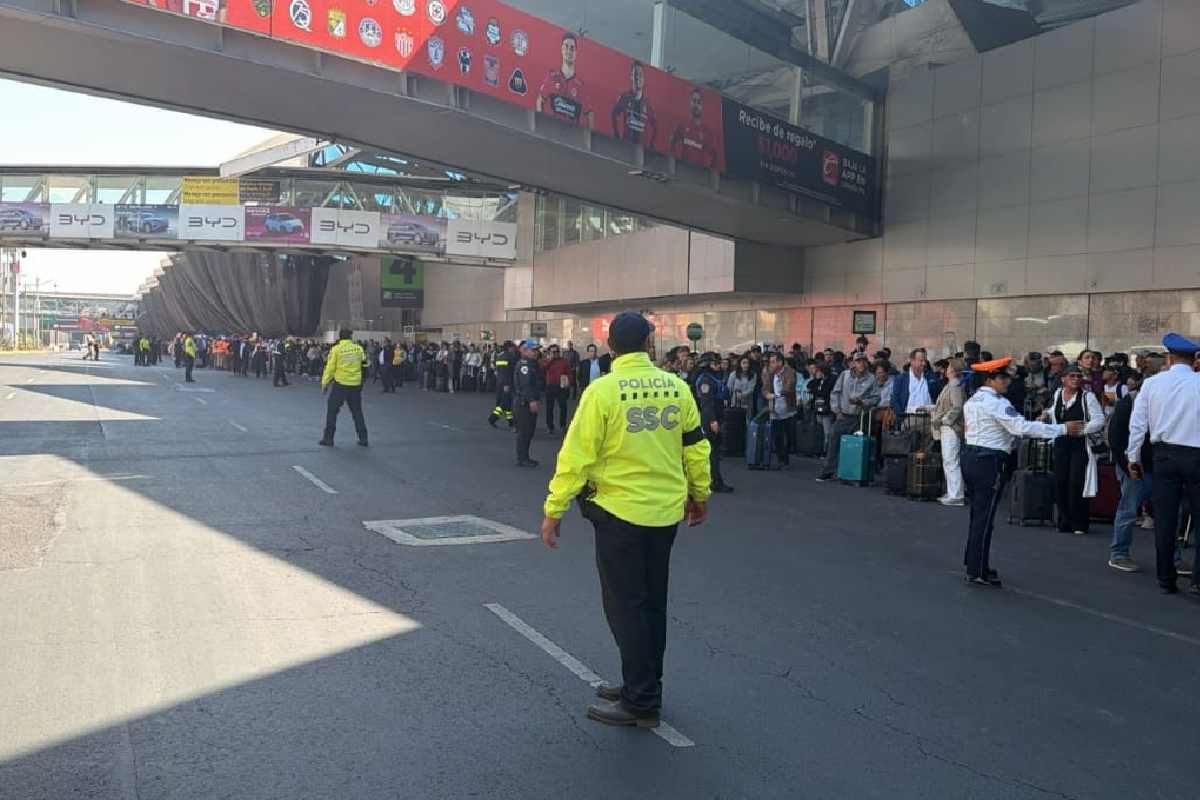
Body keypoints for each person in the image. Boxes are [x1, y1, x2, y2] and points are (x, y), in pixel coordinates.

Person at [540, 311, 710, 729]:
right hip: (665, 512)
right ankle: (644, 683)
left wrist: (554, 508)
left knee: (625, 606)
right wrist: (699, 494)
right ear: (650, 343)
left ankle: (641, 701)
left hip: (618, 514)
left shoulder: (602, 392)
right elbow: (696, 446)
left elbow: (574, 456)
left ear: (612, 347)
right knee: (652, 602)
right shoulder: (677, 387)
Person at [962, 358, 1084, 587]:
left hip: (972, 456)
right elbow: (1021, 427)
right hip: (989, 460)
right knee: (984, 518)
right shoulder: (996, 402)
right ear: (990, 379)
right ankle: (977, 569)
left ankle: (974, 562)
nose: (1007, 382)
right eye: (1003, 378)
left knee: (978, 516)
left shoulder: (974, 400)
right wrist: (1061, 429)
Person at [1127, 333, 1200, 596]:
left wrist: (1132, 457)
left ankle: (1166, 577)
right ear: (1195, 360)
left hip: (1164, 455)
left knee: (1166, 518)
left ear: (1169, 357)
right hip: (1196, 455)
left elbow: (1138, 425)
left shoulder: (1152, 384)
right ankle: (1198, 580)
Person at [1043, 364, 1105, 535]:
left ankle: (1079, 523)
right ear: (1063, 379)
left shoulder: (1087, 397)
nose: (1076, 379)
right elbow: (1054, 411)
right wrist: (1046, 414)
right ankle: (1064, 521)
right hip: (1061, 442)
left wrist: (1081, 429)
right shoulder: (1058, 394)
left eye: (1078, 376)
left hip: (1080, 445)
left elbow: (1099, 420)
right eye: (1072, 376)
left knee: (1076, 482)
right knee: (1060, 481)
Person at [817, 352, 879, 481]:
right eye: (858, 361)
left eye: (863, 361)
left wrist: (863, 402)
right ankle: (828, 470)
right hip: (844, 415)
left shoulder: (871, 378)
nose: (861, 364)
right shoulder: (845, 375)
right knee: (834, 439)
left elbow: (876, 397)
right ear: (853, 363)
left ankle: (853, 473)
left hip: (861, 417)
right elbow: (835, 393)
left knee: (856, 446)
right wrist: (836, 410)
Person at [319, 328, 369, 448]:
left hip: (341, 384)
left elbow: (330, 368)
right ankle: (363, 438)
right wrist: (362, 380)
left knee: (332, 411)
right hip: (355, 385)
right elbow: (365, 365)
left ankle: (328, 439)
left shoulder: (336, 349)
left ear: (340, 337)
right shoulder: (358, 348)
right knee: (357, 412)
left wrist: (324, 384)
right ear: (350, 337)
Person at [695, 352, 733, 493]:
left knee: (714, 451)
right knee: (712, 452)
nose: (718, 365)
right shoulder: (706, 380)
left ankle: (714, 480)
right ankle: (715, 481)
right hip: (710, 418)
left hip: (717, 416)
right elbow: (707, 404)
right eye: (715, 363)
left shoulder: (714, 378)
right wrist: (712, 421)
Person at [537, 32, 593, 128]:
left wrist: (586, 138)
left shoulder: (580, 85)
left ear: (576, 53)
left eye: (572, 48)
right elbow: (540, 100)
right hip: (552, 131)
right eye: (566, 47)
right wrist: (541, 126)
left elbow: (590, 114)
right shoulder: (552, 77)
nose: (569, 51)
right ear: (561, 49)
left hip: (572, 137)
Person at [931, 358, 966, 506]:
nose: (946, 369)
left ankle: (956, 494)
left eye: (949, 367)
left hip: (951, 427)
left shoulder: (954, 385)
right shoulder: (952, 385)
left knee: (951, 460)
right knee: (949, 460)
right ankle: (953, 491)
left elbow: (957, 406)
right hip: (948, 426)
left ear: (952, 370)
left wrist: (946, 420)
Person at [762, 351, 797, 468]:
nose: (771, 364)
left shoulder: (789, 371)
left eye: (773, 362)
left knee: (789, 434)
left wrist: (779, 393)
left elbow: (790, 386)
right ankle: (781, 458)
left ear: (780, 362)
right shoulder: (768, 372)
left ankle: (786, 454)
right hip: (775, 408)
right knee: (777, 435)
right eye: (770, 362)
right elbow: (765, 388)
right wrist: (767, 394)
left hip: (788, 407)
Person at [612, 59, 657, 148]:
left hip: (640, 151)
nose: (638, 78)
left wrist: (651, 143)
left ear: (644, 78)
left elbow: (655, 126)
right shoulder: (625, 97)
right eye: (635, 74)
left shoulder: (647, 104)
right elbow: (614, 114)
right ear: (631, 76)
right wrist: (616, 134)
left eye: (640, 75)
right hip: (626, 147)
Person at [669, 87, 718, 168]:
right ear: (690, 102)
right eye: (694, 101)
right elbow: (672, 142)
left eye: (699, 102)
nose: (696, 105)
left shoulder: (708, 132)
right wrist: (673, 159)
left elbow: (714, 155)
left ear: (702, 106)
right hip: (683, 168)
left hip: (699, 173)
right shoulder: (682, 125)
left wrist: (709, 170)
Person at [513, 340, 544, 467]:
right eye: (533, 350)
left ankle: (525, 456)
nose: (536, 352)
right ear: (525, 351)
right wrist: (532, 400)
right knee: (525, 431)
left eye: (537, 350)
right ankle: (522, 458)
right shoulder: (525, 365)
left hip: (527, 401)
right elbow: (526, 385)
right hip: (524, 403)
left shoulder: (532, 364)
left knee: (529, 431)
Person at [892, 348, 941, 418]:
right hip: (909, 419)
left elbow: (939, 396)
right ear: (912, 361)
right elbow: (895, 400)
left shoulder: (931, 377)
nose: (924, 363)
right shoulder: (901, 379)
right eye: (921, 361)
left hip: (930, 418)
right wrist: (902, 417)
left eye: (925, 361)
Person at [541, 344, 573, 435]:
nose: (555, 354)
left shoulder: (564, 361)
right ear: (550, 353)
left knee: (563, 407)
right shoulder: (547, 361)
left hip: (561, 388)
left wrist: (568, 382)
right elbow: (542, 369)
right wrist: (549, 360)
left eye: (557, 352)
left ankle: (563, 425)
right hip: (550, 387)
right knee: (549, 408)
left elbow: (569, 373)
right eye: (553, 352)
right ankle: (550, 426)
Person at [489, 341, 517, 429]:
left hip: (499, 382)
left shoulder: (499, 356)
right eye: (512, 347)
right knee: (504, 403)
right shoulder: (510, 357)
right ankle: (492, 418)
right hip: (507, 383)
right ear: (509, 347)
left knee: (507, 403)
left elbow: (499, 371)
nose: (513, 348)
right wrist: (507, 384)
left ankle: (511, 422)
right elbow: (508, 372)